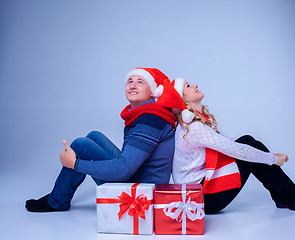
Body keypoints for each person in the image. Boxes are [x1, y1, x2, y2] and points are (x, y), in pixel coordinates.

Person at [25, 67, 181, 212]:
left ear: (153, 92)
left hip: (144, 193)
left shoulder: (150, 119)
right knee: (94, 136)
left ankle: (57, 200)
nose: (133, 85)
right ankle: (59, 195)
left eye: (140, 82)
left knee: (80, 146)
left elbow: (124, 169)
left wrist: (75, 164)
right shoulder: (145, 113)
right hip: (139, 180)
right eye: (130, 81)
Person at [171, 78, 295, 214]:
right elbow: (238, 150)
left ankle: (284, 198)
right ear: (182, 100)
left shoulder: (196, 123)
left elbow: (230, 141)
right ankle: (294, 199)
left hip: (200, 191)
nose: (195, 85)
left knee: (247, 140)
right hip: (199, 199)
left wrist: (270, 156)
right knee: (247, 148)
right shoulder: (194, 128)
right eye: (188, 86)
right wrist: (273, 159)